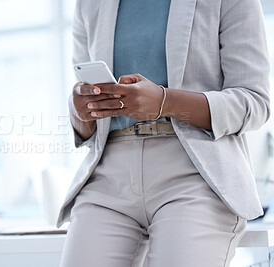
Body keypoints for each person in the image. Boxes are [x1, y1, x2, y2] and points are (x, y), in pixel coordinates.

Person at [57, 0, 270, 266]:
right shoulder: (89, 4)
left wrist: (164, 102)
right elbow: (87, 127)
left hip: (194, 172)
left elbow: (254, 101)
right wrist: (81, 109)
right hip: (108, 175)